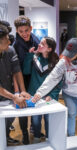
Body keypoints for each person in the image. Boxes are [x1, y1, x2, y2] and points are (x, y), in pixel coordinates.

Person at [32, 37, 77, 136]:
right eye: (68, 54)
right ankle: (71, 136)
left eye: (72, 55)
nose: (69, 57)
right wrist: (39, 93)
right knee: (71, 114)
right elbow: (52, 78)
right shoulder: (63, 61)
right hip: (69, 94)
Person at [23, 37, 62, 143]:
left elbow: (59, 81)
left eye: (42, 44)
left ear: (49, 49)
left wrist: (53, 95)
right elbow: (26, 71)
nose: (39, 45)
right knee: (35, 119)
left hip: (49, 96)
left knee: (49, 119)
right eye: (40, 42)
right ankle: (36, 138)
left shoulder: (56, 62)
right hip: (34, 94)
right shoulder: (34, 57)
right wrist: (29, 55)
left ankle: (50, 139)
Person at [0, 24, 30, 145]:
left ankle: (5, 138)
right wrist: (14, 97)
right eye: (6, 38)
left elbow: (17, 70)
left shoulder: (10, 50)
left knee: (9, 119)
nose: (9, 40)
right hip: (5, 93)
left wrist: (22, 91)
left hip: (8, 92)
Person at [13, 15, 40, 144]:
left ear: (31, 28)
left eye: (26, 30)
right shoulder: (15, 45)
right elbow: (16, 70)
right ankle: (24, 133)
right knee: (22, 107)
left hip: (34, 78)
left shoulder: (36, 39)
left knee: (34, 104)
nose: (24, 34)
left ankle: (34, 129)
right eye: (21, 31)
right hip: (22, 79)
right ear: (17, 31)